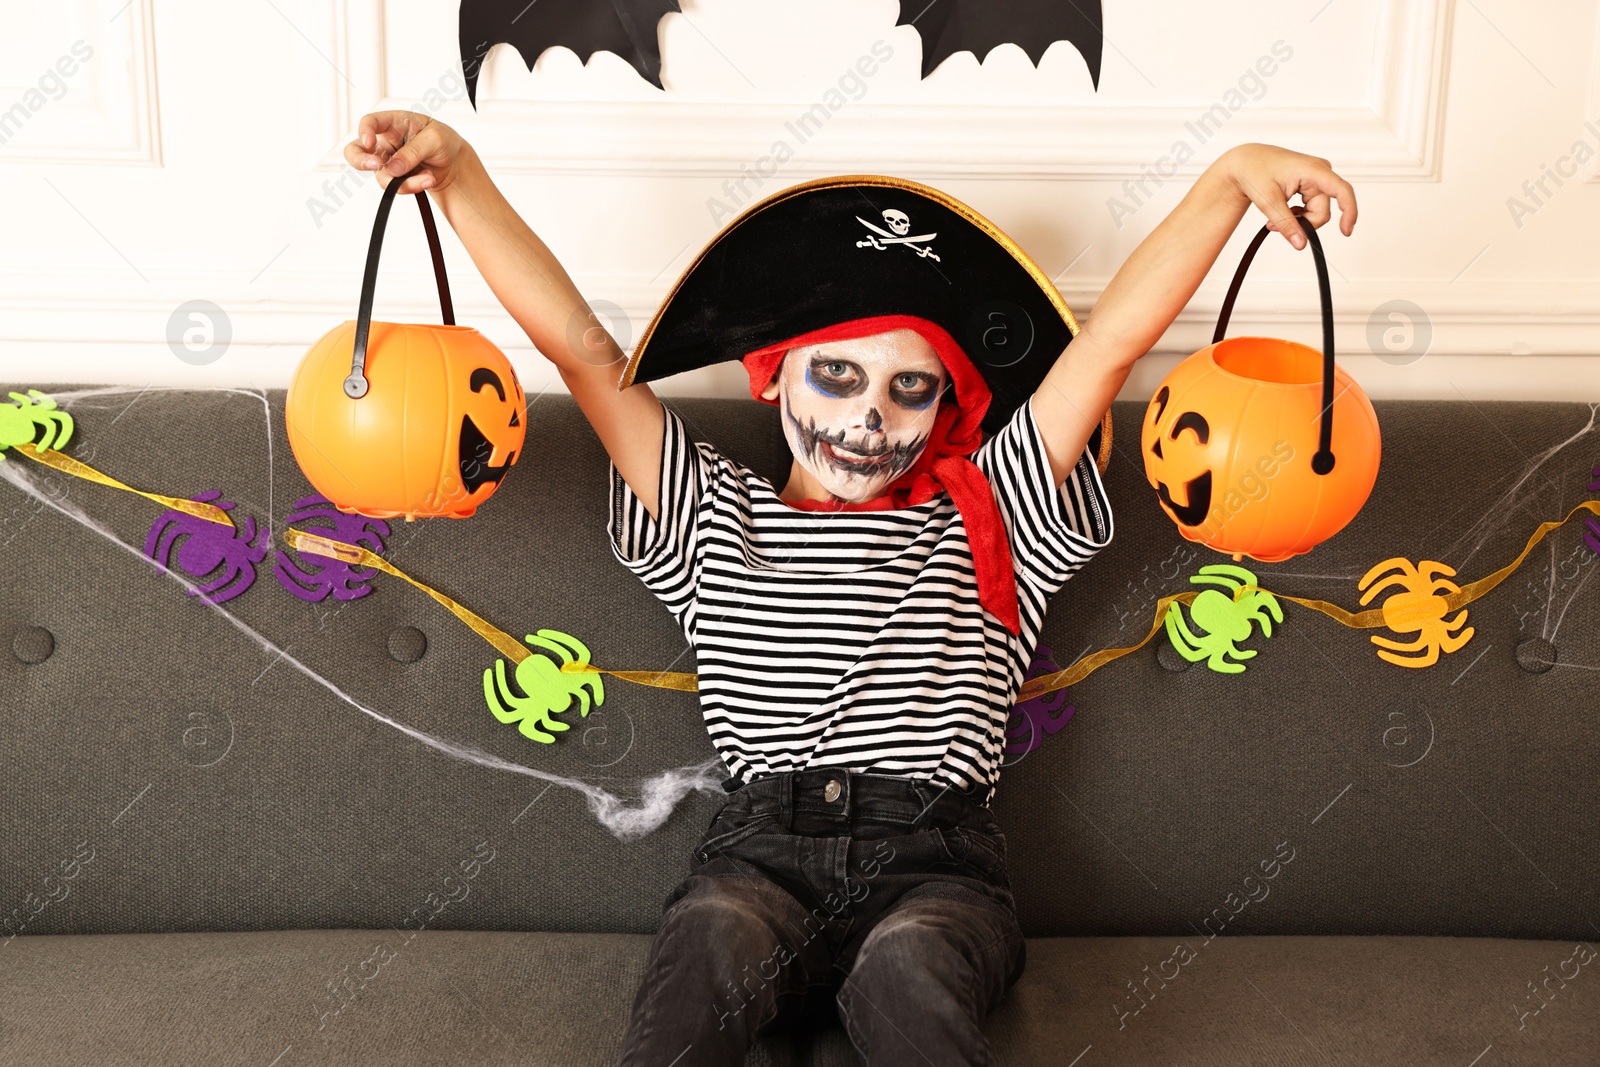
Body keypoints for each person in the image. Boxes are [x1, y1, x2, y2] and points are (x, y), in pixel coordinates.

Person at [345, 114, 1357, 1066]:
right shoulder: (713, 515)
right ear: (775, 378)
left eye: (908, 388)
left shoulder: (995, 512)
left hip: (938, 866)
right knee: (708, 940)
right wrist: (462, 179)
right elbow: (587, 354)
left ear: (947, 405)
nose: (870, 418)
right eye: (838, 377)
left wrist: (1227, 183)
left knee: (909, 969)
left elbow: (1104, 349)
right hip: (757, 856)